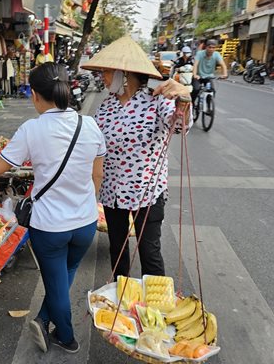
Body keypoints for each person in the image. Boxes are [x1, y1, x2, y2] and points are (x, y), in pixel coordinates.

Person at [0, 62, 106, 354]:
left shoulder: (32, 128)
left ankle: (66, 338)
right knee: (65, 274)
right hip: (85, 222)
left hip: (50, 226)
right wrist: (85, 203)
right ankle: (42, 319)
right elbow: (97, 175)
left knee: (56, 279)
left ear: (36, 95)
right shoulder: (89, 124)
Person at [80, 35, 192, 280]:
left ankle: (156, 309)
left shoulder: (156, 102)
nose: (103, 78)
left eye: (107, 72)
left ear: (124, 74)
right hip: (112, 193)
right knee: (117, 251)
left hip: (147, 193)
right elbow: (94, 145)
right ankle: (122, 300)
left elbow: (180, 126)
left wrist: (184, 96)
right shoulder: (106, 107)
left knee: (149, 253)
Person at [192, 39, 227, 105]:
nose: (211, 49)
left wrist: (225, 74)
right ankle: (192, 103)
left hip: (209, 76)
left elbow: (223, 65)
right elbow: (195, 64)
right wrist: (195, 75)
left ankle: (208, 106)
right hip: (198, 76)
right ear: (206, 47)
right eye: (210, 47)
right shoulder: (200, 53)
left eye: (213, 48)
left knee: (212, 91)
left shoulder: (216, 54)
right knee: (196, 89)